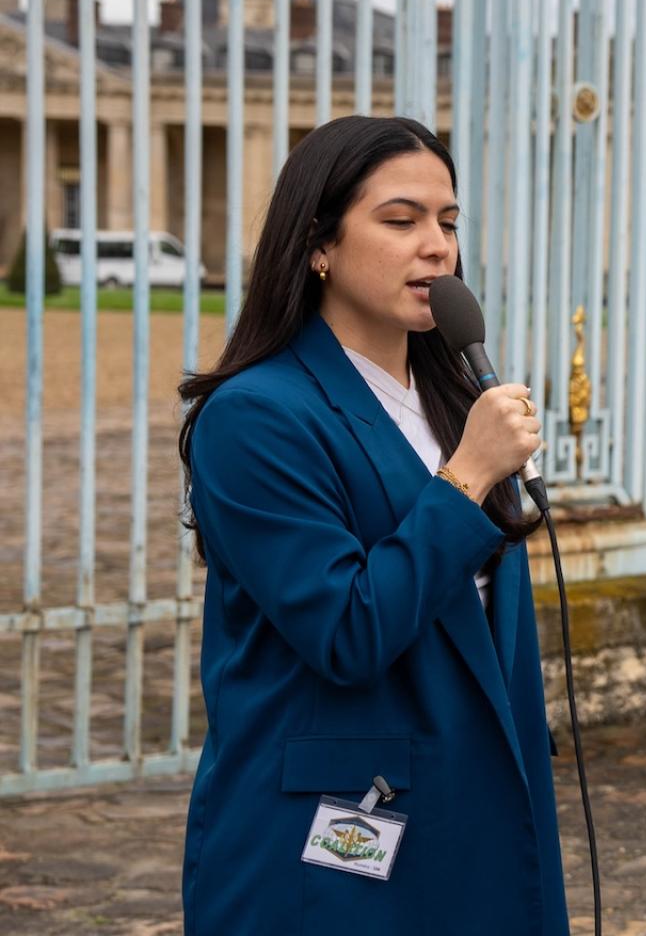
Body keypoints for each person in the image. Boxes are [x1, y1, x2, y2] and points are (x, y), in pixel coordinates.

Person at [176, 116, 567, 934]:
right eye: (401, 220)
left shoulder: (453, 401)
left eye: (448, 222)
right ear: (319, 244)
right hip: (338, 836)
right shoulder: (254, 419)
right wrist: (465, 480)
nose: (437, 247)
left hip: (480, 808)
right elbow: (347, 631)